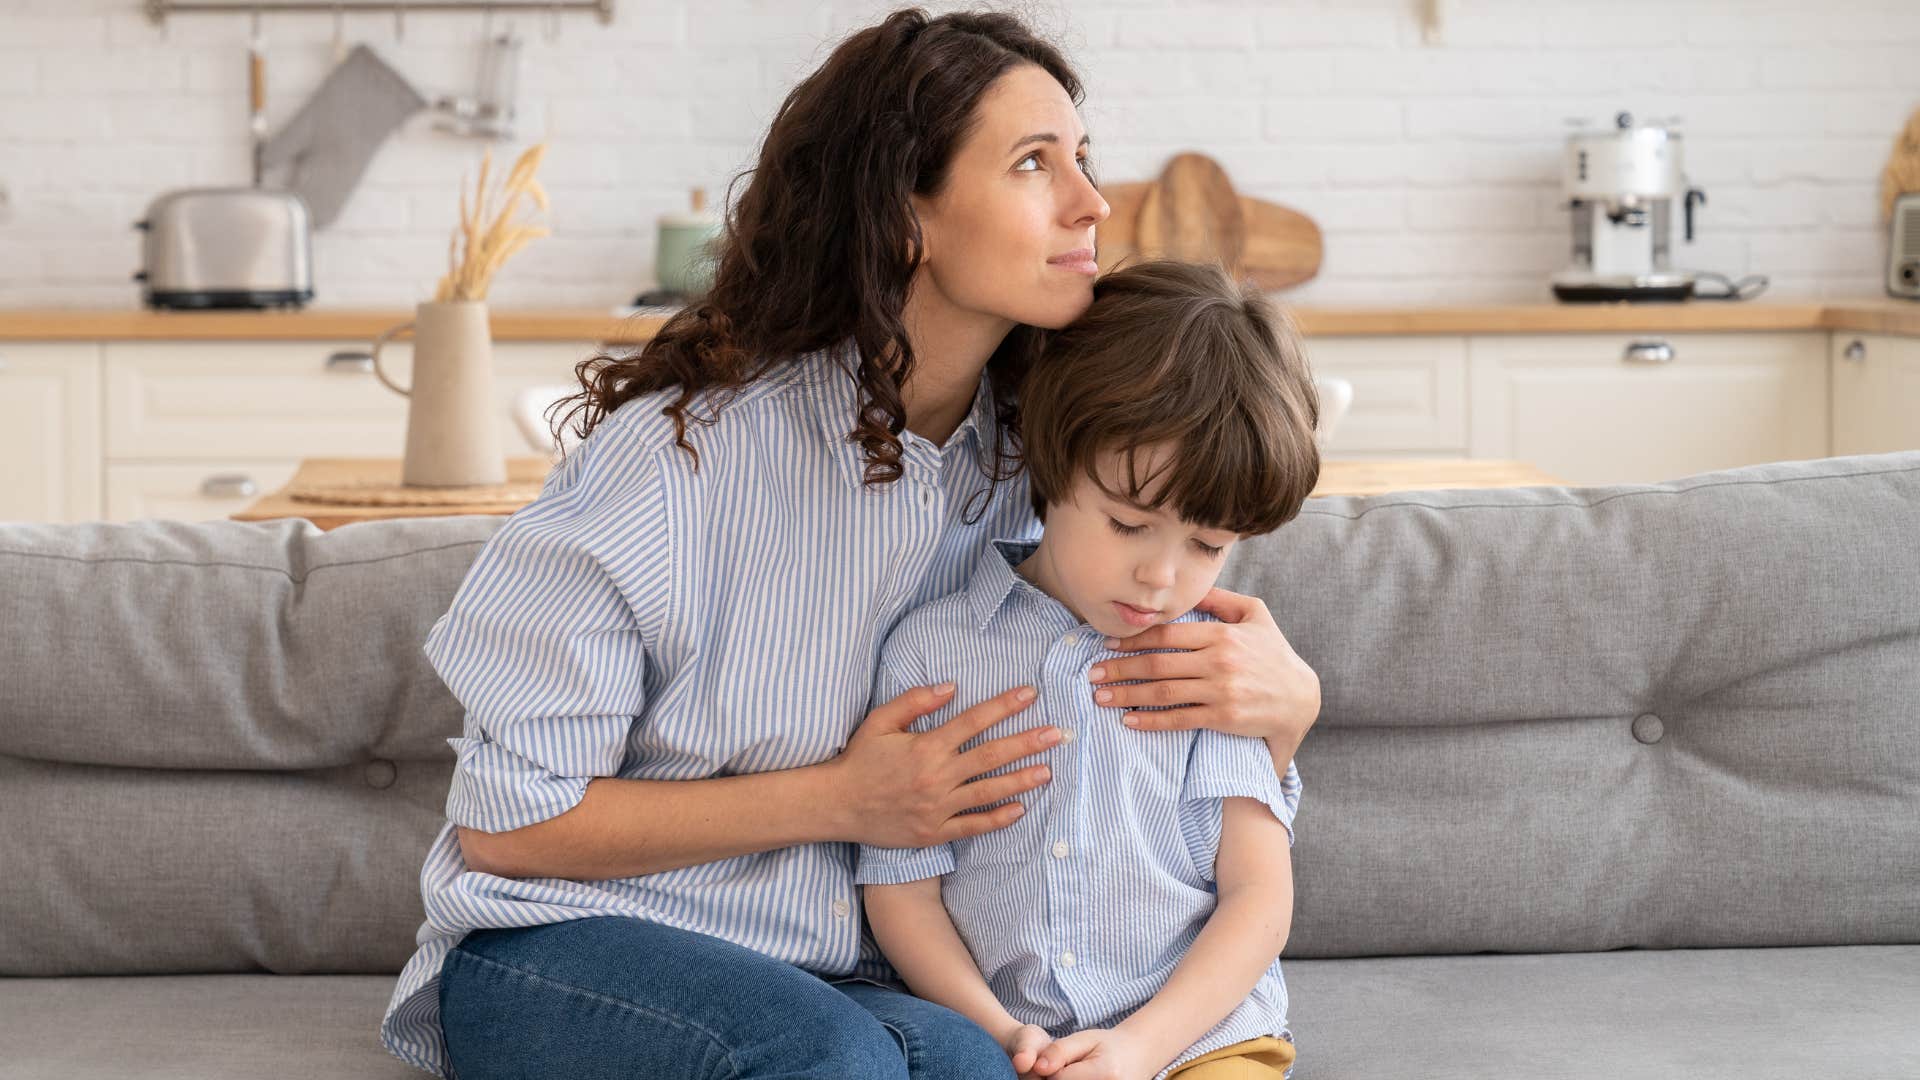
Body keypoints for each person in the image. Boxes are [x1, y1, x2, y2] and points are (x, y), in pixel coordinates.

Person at [378, 9, 1322, 1079]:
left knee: (981, 1072)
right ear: (906, 214)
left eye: (1084, 160)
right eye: (1032, 163)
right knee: (829, 1060)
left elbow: (1154, 722)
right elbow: (513, 828)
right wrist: (840, 798)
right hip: (567, 944)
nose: (1093, 202)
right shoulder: (678, 459)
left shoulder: (1046, 469)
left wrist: (1286, 712)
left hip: (845, 972)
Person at [857, 260, 1317, 1080]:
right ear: (1050, 457)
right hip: (999, 1042)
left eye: (1208, 545)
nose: (1162, 578)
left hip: (1196, 1041)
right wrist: (1000, 1034)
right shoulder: (931, 653)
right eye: (1129, 524)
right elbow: (903, 889)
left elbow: (1257, 897)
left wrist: (1141, 1049)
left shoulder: (1210, 665)